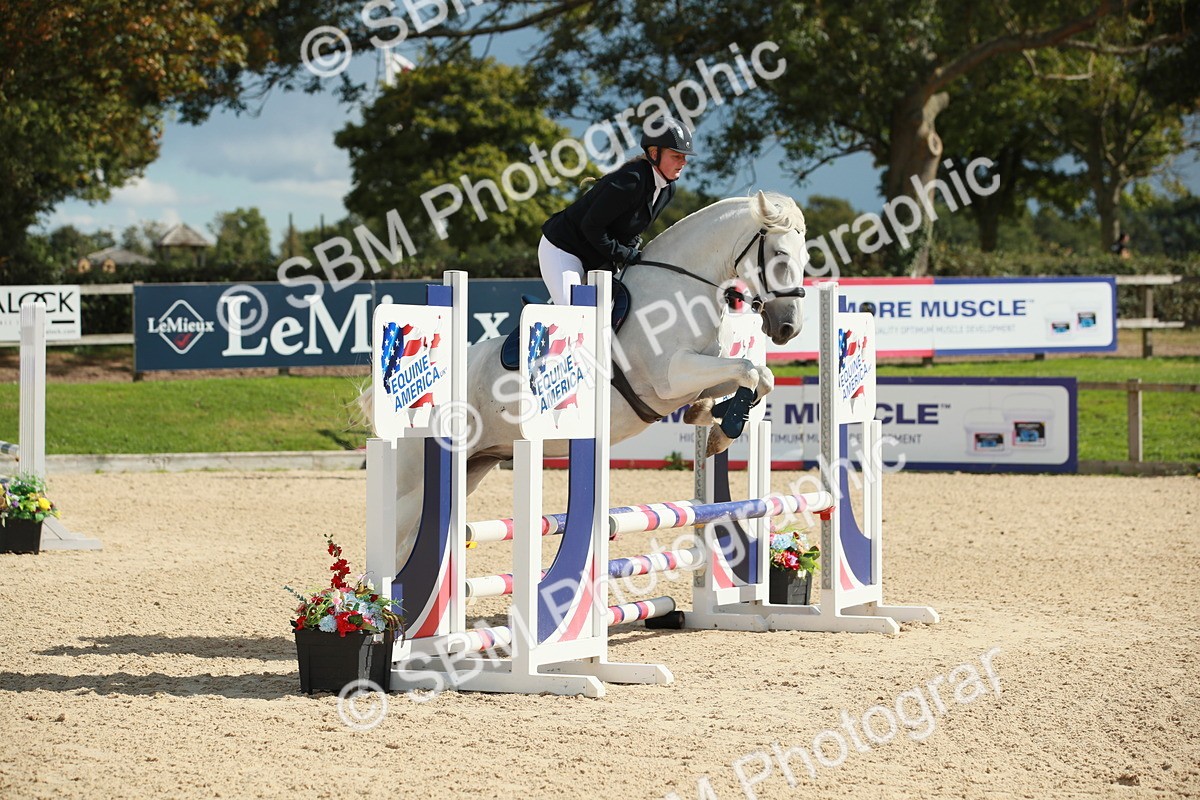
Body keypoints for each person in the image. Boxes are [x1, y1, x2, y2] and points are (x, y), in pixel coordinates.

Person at [538, 116, 695, 304]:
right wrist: (625, 255)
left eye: (684, 157)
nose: (683, 162)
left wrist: (632, 253)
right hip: (565, 248)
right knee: (575, 311)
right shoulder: (631, 181)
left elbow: (632, 231)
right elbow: (591, 226)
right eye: (676, 156)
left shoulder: (667, 190)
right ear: (654, 154)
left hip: (597, 256)